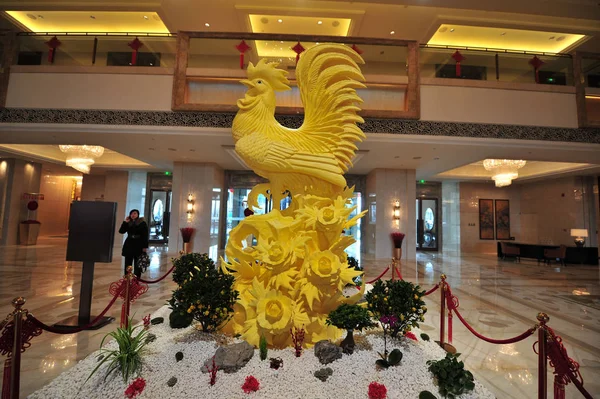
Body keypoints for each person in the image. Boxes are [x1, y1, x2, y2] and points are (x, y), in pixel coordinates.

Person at [119, 209, 149, 279]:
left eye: (135, 213)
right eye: (131, 213)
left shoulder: (142, 223)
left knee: (137, 264)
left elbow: (145, 235)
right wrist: (125, 222)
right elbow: (121, 231)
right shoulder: (128, 223)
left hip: (138, 244)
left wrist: (145, 247)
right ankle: (127, 278)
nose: (133, 215)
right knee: (127, 263)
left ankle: (137, 279)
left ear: (138, 215)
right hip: (129, 244)